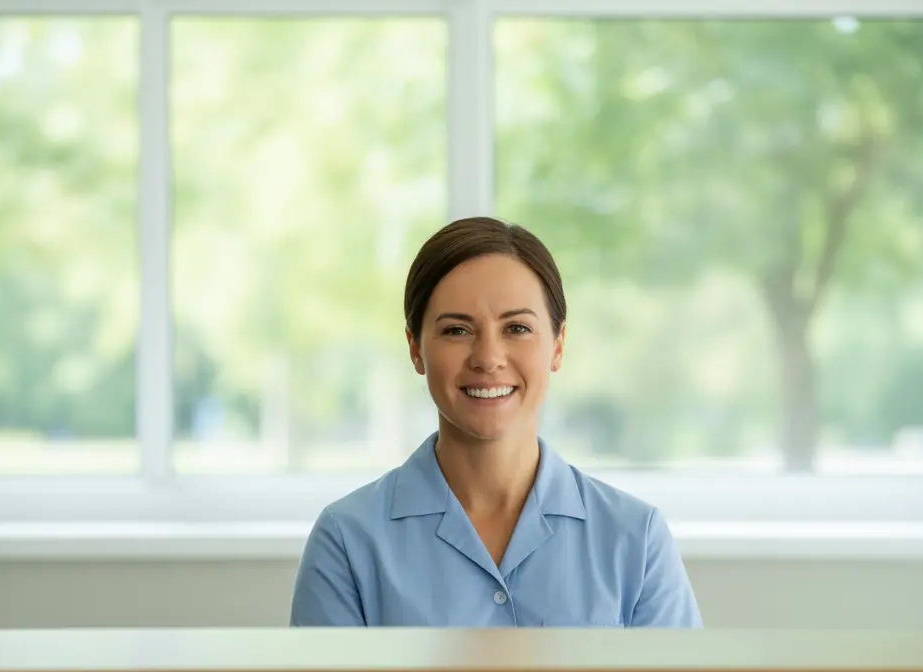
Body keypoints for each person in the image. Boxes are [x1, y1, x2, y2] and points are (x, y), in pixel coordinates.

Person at [289, 217, 702, 627]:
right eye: (456, 330)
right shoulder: (347, 541)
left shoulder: (636, 540)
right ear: (415, 349)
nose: (488, 358)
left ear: (557, 346)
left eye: (517, 328)